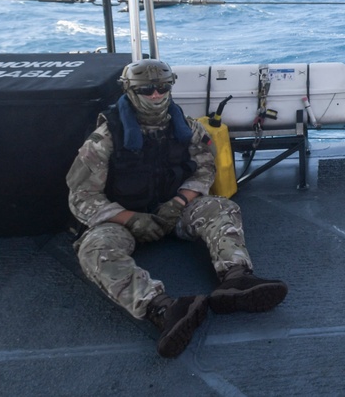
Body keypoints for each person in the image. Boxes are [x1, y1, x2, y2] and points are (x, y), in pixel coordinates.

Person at [66, 59, 287, 358]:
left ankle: (235, 279)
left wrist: (180, 202)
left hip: (174, 209)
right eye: (146, 89)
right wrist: (130, 219)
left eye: (163, 88)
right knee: (93, 250)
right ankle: (164, 309)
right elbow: (81, 195)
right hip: (121, 220)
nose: (156, 95)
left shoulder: (185, 126)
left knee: (222, 208)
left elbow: (205, 167)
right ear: (130, 90)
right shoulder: (105, 139)